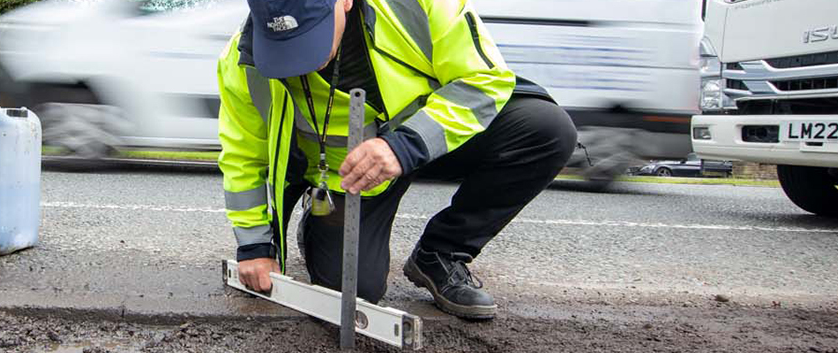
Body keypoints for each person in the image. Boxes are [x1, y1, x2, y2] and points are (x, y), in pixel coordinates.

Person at [218, 0, 576, 320]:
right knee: (354, 297)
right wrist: (255, 246)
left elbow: (486, 81)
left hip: (427, 140)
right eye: (282, 45)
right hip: (348, 177)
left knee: (546, 130)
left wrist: (403, 146)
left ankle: (440, 254)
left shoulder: (418, 5)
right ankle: (318, 221)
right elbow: (242, 158)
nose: (299, 60)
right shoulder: (243, 61)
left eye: (311, 36)